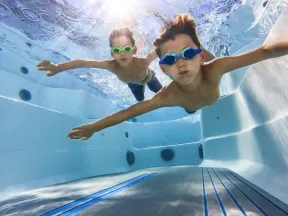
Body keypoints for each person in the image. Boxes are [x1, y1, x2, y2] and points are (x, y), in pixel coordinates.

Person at [68, 13, 288, 141]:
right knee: (191, 107)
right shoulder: (168, 96)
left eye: (189, 54)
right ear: (163, 69)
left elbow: (266, 51)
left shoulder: (216, 68)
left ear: (200, 57)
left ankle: (199, 48)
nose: (181, 63)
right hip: (191, 102)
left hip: (208, 81)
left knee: (212, 60)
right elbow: (129, 112)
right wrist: (94, 127)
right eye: (171, 60)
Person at [37, 28, 163, 102]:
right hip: (133, 84)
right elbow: (82, 62)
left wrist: (168, 34)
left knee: (161, 92)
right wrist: (58, 67)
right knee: (140, 100)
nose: (122, 53)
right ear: (112, 54)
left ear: (134, 51)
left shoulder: (142, 62)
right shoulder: (111, 65)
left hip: (149, 77)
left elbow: (158, 50)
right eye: (117, 50)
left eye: (126, 49)